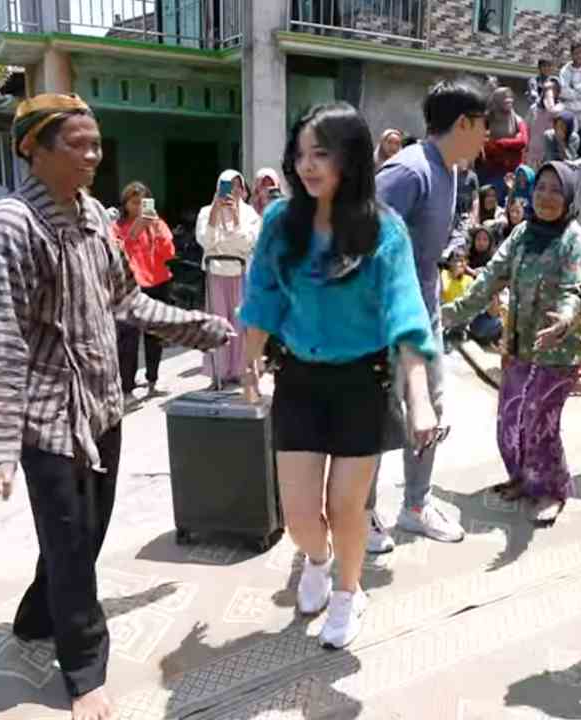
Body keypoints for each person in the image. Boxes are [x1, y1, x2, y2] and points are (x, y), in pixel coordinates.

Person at [0, 93, 232, 720]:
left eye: (97, 144)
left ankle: (37, 616)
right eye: (78, 144)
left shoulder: (91, 215)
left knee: (83, 534)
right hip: (46, 416)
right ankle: (85, 672)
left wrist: (201, 326)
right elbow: (1, 336)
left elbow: (128, 303)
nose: (93, 155)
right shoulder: (11, 226)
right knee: (68, 541)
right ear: (33, 147)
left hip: (102, 407)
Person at [239, 103, 439, 648]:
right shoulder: (282, 221)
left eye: (320, 153)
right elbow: (262, 296)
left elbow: (406, 312)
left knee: (346, 506)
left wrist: (419, 398)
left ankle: (349, 596)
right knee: (301, 517)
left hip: (362, 383)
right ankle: (318, 561)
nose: (307, 166)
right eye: (300, 154)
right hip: (300, 379)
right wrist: (248, 365)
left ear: (349, 159)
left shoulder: (383, 228)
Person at [365, 78, 491, 552]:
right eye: (483, 128)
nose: (486, 140)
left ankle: (415, 505)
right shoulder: (408, 171)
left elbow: (446, 227)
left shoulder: (452, 170)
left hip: (425, 309)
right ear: (463, 123)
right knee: (382, 417)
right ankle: (362, 513)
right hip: (388, 318)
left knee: (430, 410)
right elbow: (361, 241)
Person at [443, 161, 581, 524]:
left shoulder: (576, 240)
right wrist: (451, 312)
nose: (546, 197)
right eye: (541, 188)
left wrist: (566, 318)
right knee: (510, 417)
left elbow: (574, 290)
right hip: (518, 344)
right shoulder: (523, 233)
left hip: (559, 349)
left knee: (540, 418)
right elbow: (490, 278)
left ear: (569, 196)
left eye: (557, 190)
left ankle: (553, 490)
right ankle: (523, 477)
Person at [196, 169, 261, 384]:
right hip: (215, 271)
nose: (232, 191)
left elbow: (245, 243)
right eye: (227, 185)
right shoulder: (206, 211)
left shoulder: (250, 213)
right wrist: (215, 213)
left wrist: (234, 218)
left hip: (240, 273)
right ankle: (218, 373)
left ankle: (239, 370)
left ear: (243, 190)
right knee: (217, 324)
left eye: (236, 186)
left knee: (240, 323)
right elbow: (206, 240)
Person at [114, 181, 177, 397]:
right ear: (126, 204)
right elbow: (115, 254)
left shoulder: (156, 224)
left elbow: (169, 253)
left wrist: (155, 228)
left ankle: (152, 381)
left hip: (158, 282)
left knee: (155, 335)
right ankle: (127, 387)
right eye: (134, 202)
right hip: (131, 286)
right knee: (128, 339)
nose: (139, 207)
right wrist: (133, 233)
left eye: (142, 202)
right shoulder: (118, 226)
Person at [480, 86, 530, 202]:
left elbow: (523, 141)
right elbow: (485, 144)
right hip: (491, 171)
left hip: (513, 171)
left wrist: (500, 143)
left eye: (510, 99)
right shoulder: (488, 119)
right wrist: (510, 145)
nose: (509, 102)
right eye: (505, 100)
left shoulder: (518, 120)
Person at [527, 76, 565, 166]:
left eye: (554, 89)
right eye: (547, 88)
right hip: (533, 155)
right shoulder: (534, 108)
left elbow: (552, 111)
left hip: (549, 155)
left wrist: (549, 93)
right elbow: (527, 128)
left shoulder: (561, 108)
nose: (550, 91)